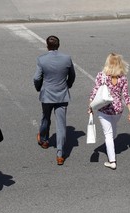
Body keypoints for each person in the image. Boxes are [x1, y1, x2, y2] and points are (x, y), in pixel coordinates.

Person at [33, 35, 76, 165]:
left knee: (45, 117)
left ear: (47, 46)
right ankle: (60, 154)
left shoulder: (42, 59)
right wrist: (67, 85)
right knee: (61, 124)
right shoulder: (67, 59)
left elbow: (36, 78)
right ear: (58, 45)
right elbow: (72, 76)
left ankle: (45, 140)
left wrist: (39, 87)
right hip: (62, 95)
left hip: (47, 95)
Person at [88, 53, 130, 170]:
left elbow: (94, 92)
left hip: (104, 109)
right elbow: (126, 95)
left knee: (108, 135)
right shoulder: (122, 77)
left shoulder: (101, 76)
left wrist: (90, 106)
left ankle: (112, 161)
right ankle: (111, 146)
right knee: (112, 132)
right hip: (118, 109)